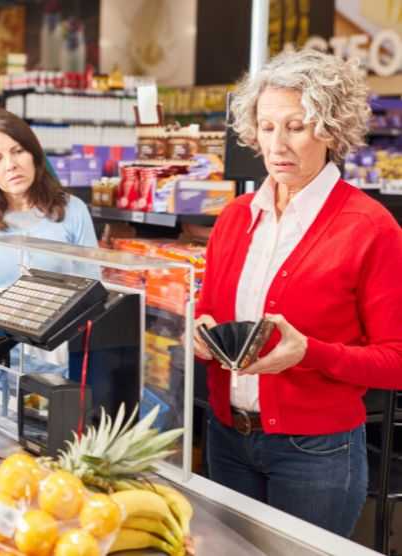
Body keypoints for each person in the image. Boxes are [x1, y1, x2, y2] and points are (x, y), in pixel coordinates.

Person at [193, 48, 402, 537]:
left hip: (317, 453)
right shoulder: (235, 217)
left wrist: (309, 353)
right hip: (227, 438)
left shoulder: (371, 228)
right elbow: (208, 312)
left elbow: (395, 360)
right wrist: (202, 334)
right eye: (266, 127)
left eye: (296, 126)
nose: (277, 144)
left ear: (330, 129)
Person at [0, 108, 97, 288]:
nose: (11, 165)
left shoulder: (73, 209)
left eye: (18, 151)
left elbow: (92, 287)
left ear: (34, 154)